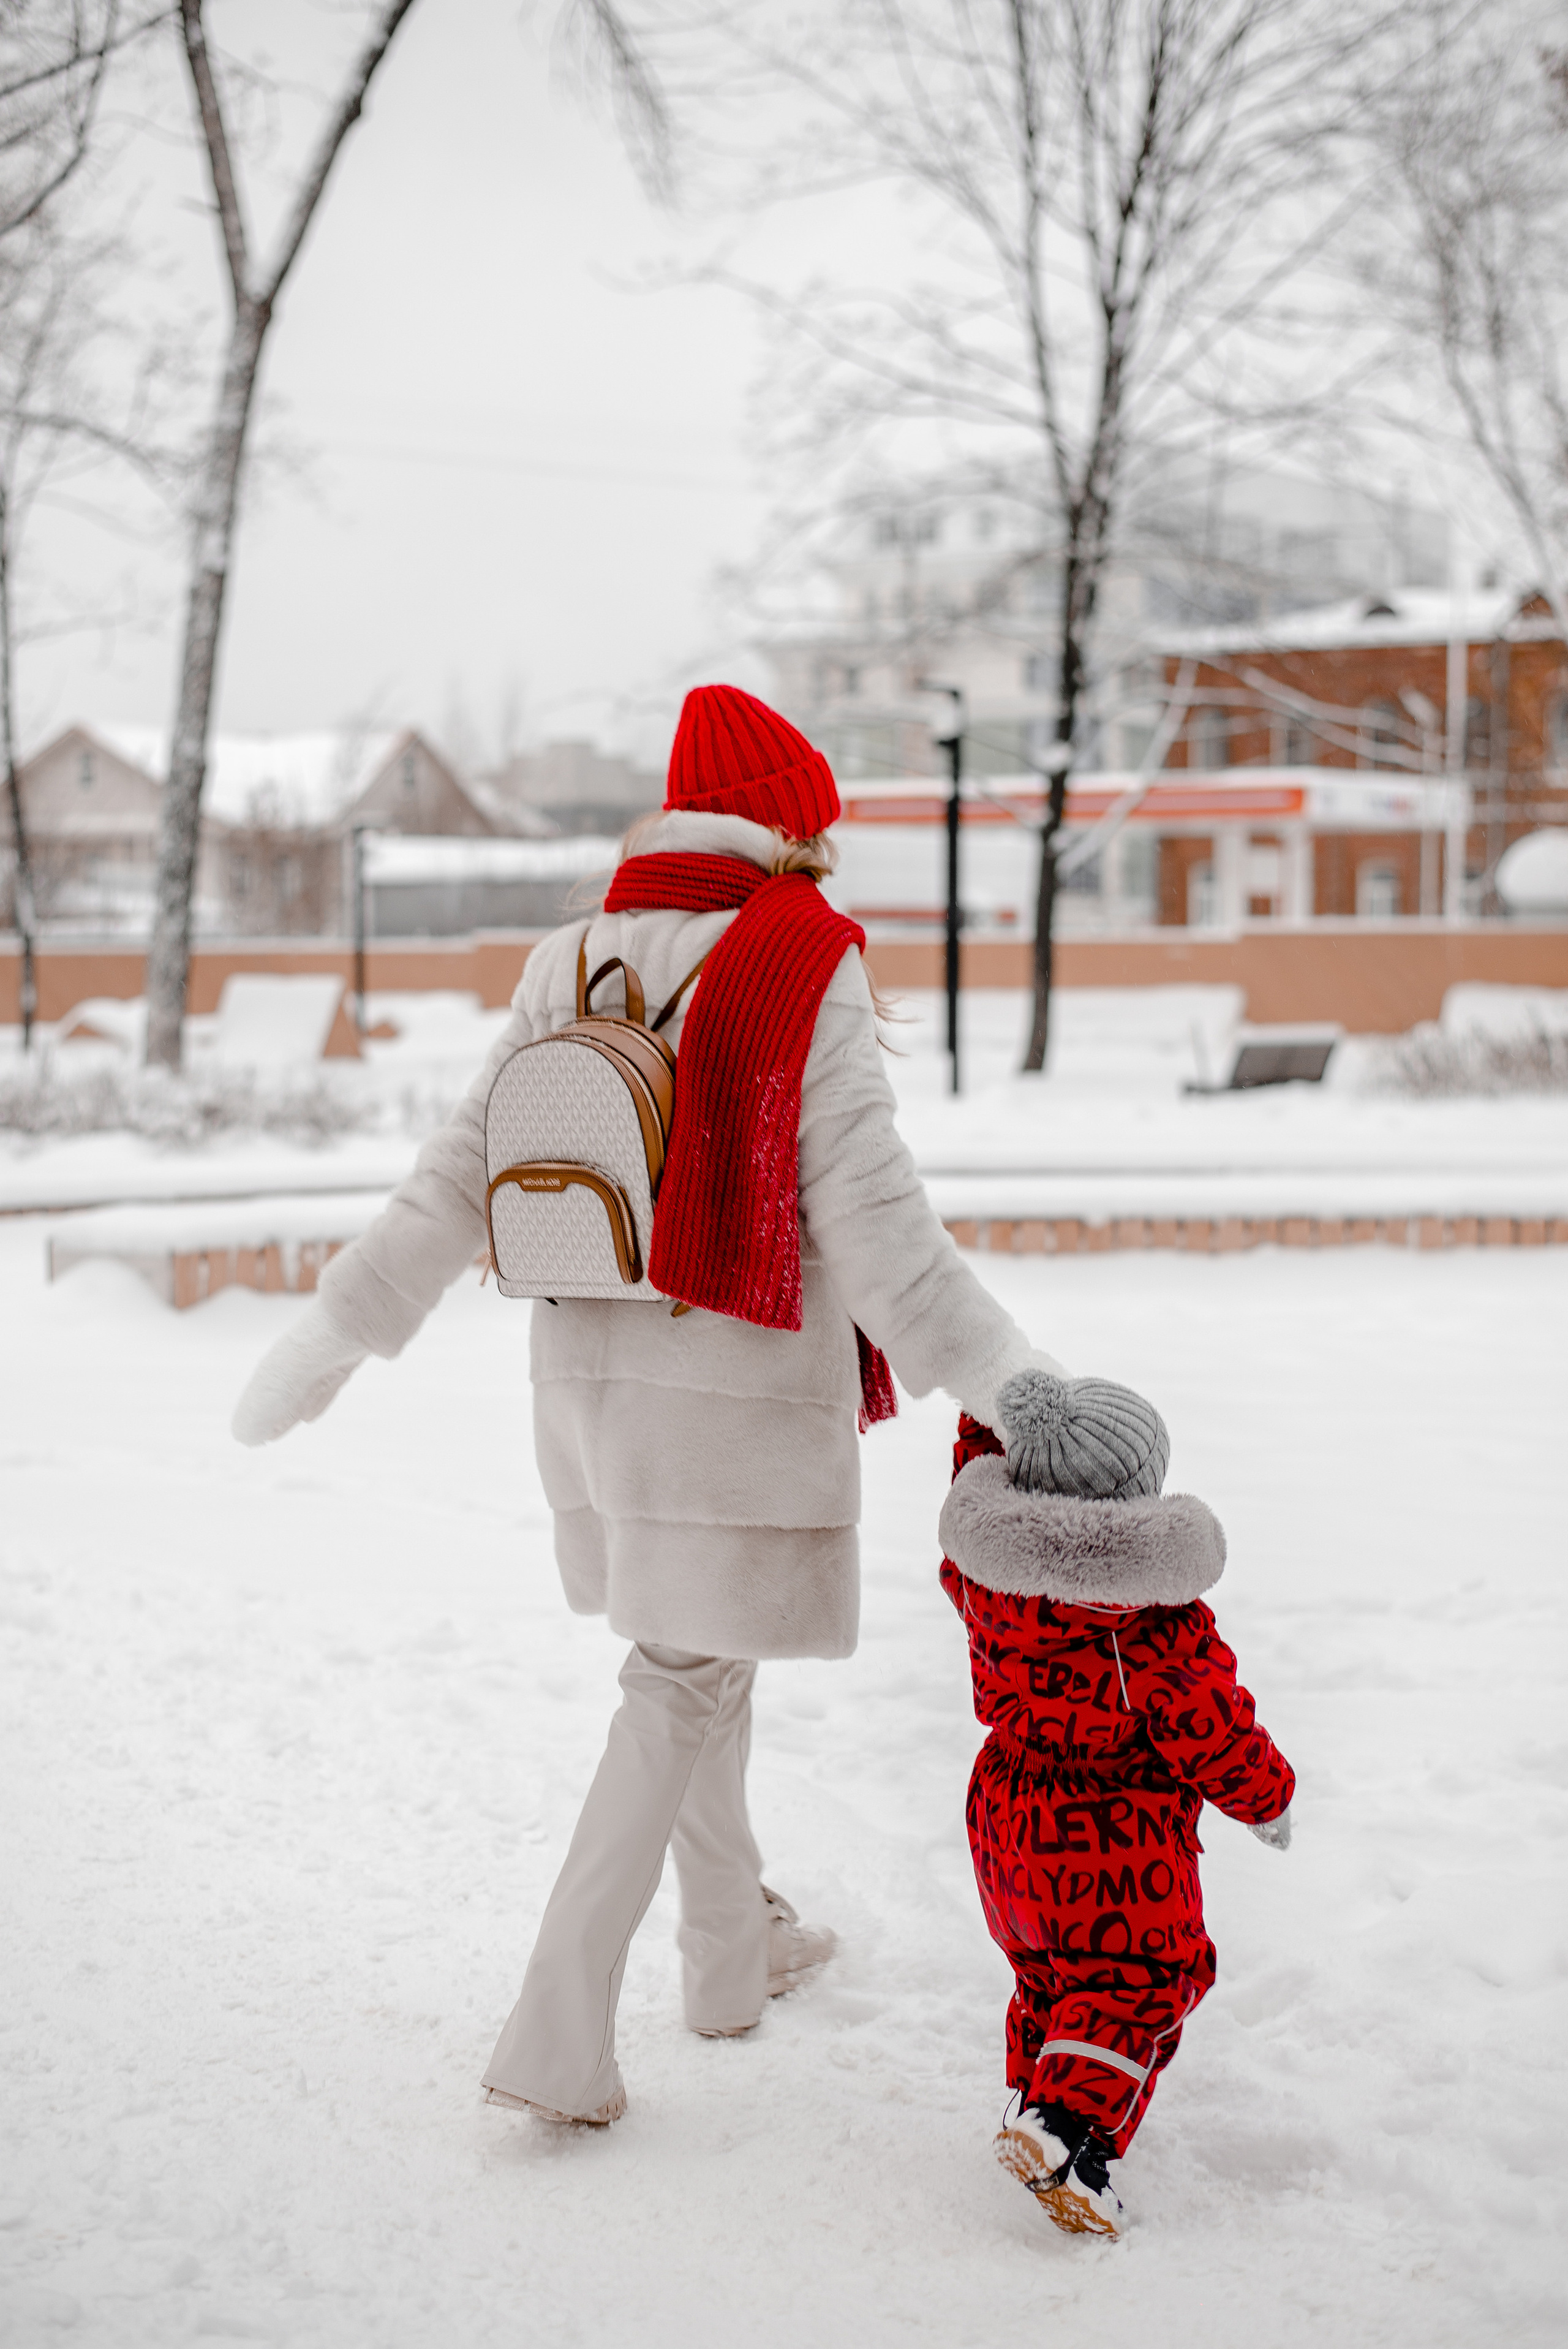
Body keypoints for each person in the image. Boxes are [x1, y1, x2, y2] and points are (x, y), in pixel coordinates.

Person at [233, 683, 1064, 2127]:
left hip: (589, 1383)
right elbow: (870, 1220)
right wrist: (1018, 1384)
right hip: (731, 1396)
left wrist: (333, 1334)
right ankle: (558, 2029)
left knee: (699, 1663)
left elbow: (455, 1175)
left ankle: (734, 1950)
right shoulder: (803, 959)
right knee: (681, 1677)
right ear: (793, 825)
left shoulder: (570, 957)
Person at [937, 1366, 1295, 2237]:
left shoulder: (987, 1580)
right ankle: (1067, 2126)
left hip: (1003, 1817)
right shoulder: (1149, 1624)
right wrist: (1267, 1796)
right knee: (1142, 1979)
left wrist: (986, 1411)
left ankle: (1038, 2098)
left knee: (1053, 1978)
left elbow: (969, 1483)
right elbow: (1212, 1723)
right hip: (1109, 1837)